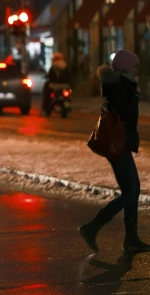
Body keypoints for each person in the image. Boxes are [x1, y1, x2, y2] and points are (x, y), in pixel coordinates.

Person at [79, 49, 150, 253]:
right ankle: (92, 228)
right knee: (130, 192)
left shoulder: (121, 84)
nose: (137, 70)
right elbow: (122, 111)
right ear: (126, 67)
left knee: (132, 190)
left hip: (121, 143)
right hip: (117, 143)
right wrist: (133, 97)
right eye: (135, 66)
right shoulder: (121, 86)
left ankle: (131, 239)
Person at [41, 52, 71, 116]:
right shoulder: (65, 65)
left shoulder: (54, 66)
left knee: (47, 92)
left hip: (55, 85)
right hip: (66, 85)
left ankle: (46, 108)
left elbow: (51, 76)